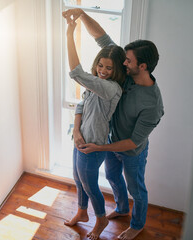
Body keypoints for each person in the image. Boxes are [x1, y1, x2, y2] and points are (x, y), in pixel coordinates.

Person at [63, 9, 164, 240]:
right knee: (112, 177)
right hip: (109, 140)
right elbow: (101, 37)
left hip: (130, 150)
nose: (123, 62)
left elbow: (133, 141)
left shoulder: (152, 103)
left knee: (136, 190)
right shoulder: (123, 72)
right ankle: (120, 208)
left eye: (128, 61)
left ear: (143, 66)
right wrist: (82, 14)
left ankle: (137, 225)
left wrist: (99, 148)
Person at [63, 17, 126, 240]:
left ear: (117, 70)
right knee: (77, 179)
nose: (103, 71)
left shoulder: (111, 89)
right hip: (80, 140)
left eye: (109, 68)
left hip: (93, 147)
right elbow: (81, 104)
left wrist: (70, 35)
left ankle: (100, 219)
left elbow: (76, 73)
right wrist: (77, 132)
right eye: (100, 66)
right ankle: (82, 212)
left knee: (90, 186)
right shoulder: (96, 84)